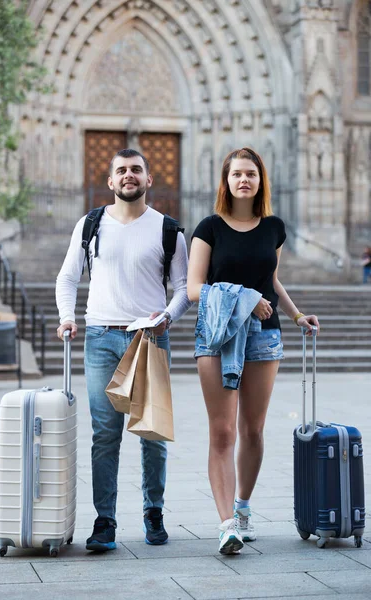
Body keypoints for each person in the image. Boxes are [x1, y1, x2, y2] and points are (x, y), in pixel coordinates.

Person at [56, 148, 191, 551]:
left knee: (152, 434)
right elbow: (67, 277)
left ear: (150, 180)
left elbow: (184, 288)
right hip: (100, 338)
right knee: (105, 435)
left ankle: (154, 512)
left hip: (148, 338)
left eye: (136, 170)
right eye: (121, 171)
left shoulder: (168, 229)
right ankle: (105, 522)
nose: (129, 175)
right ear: (110, 182)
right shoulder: (91, 224)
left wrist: (167, 315)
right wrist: (68, 316)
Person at [187, 147, 320, 555]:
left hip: (265, 337)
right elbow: (194, 290)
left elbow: (272, 281)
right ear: (225, 181)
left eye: (251, 174)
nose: (243, 180)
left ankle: (242, 508)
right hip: (218, 337)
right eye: (236, 174)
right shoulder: (209, 228)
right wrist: (245, 297)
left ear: (261, 181)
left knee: (253, 430)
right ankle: (227, 524)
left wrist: (297, 315)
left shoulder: (274, 228)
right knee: (223, 431)